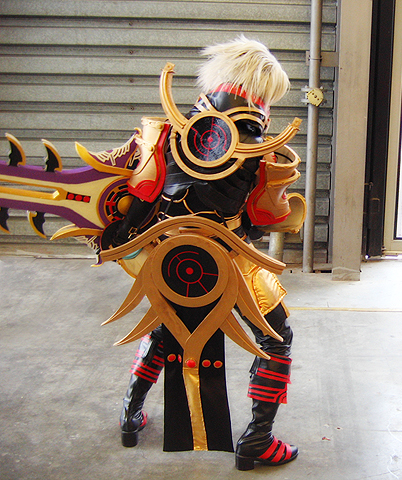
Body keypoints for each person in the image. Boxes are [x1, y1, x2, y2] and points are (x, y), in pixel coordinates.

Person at [111, 36, 302, 469]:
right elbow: (263, 217)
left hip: (169, 255)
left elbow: (142, 192)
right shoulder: (255, 142)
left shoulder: (175, 126)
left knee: (166, 328)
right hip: (227, 257)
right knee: (276, 337)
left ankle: (129, 415)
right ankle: (258, 440)